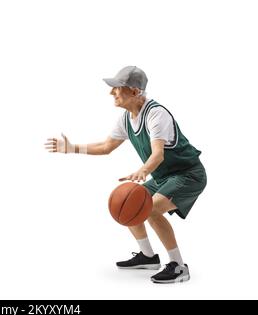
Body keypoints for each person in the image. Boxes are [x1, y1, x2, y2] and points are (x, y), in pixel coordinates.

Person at [45, 66, 207, 283]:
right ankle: (148, 257)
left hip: (188, 174)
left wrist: (142, 171)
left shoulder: (156, 114)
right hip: (164, 177)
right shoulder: (126, 119)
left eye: (116, 88)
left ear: (134, 91)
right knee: (130, 201)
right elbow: (105, 146)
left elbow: (157, 154)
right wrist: (72, 147)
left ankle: (179, 266)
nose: (112, 93)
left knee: (149, 208)